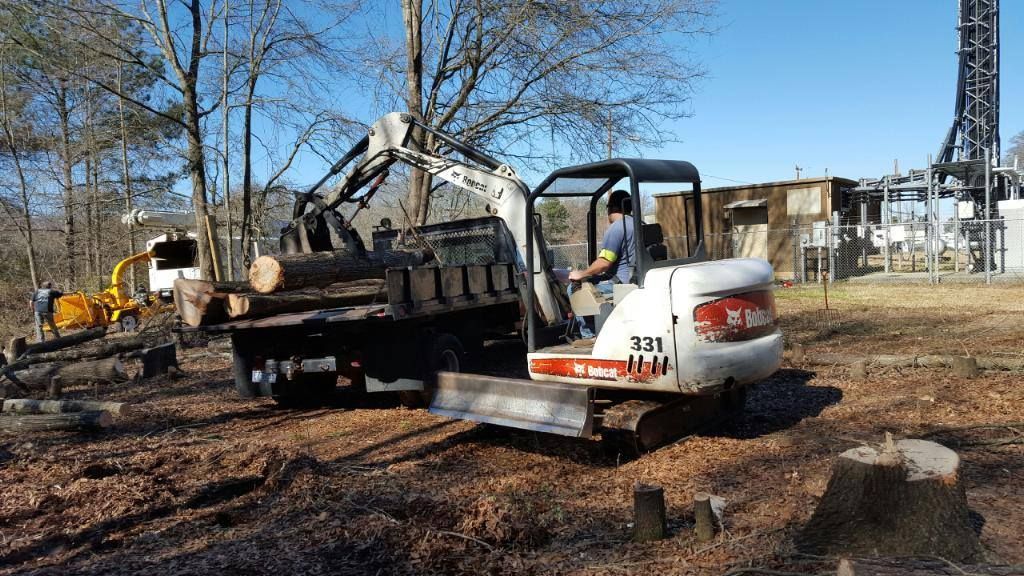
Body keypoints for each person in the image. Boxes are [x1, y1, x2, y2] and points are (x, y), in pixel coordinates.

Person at [567, 189, 635, 337]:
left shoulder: (617, 228)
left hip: (620, 283)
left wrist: (582, 274)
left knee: (574, 288)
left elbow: (604, 263)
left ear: (612, 208)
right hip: (638, 279)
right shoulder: (639, 224)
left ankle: (590, 335)